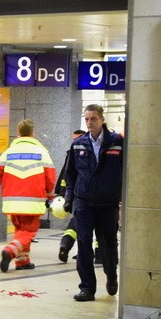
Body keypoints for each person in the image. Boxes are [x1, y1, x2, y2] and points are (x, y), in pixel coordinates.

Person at [64, 104, 124, 301]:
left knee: (108, 243)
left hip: (107, 202)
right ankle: (87, 288)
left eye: (93, 119)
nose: (89, 123)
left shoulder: (117, 142)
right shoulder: (78, 144)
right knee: (83, 244)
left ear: (102, 119)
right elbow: (70, 173)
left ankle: (111, 274)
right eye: (87, 119)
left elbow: (127, 171)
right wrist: (68, 198)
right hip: (84, 202)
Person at [0, 118, 56, 272]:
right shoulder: (41, 153)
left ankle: (23, 261)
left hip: (12, 201)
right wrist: (51, 196)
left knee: (20, 231)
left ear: (18, 133)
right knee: (29, 231)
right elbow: (50, 177)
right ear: (32, 133)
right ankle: (10, 251)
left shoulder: (8, 153)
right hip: (33, 201)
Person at [54, 129, 86, 262]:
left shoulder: (82, 152)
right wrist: (60, 193)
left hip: (79, 193)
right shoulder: (72, 153)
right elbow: (65, 174)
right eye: (73, 139)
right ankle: (80, 251)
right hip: (78, 194)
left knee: (78, 221)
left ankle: (66, 244)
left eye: (77, 138)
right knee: (81, 222)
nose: (75, 141)